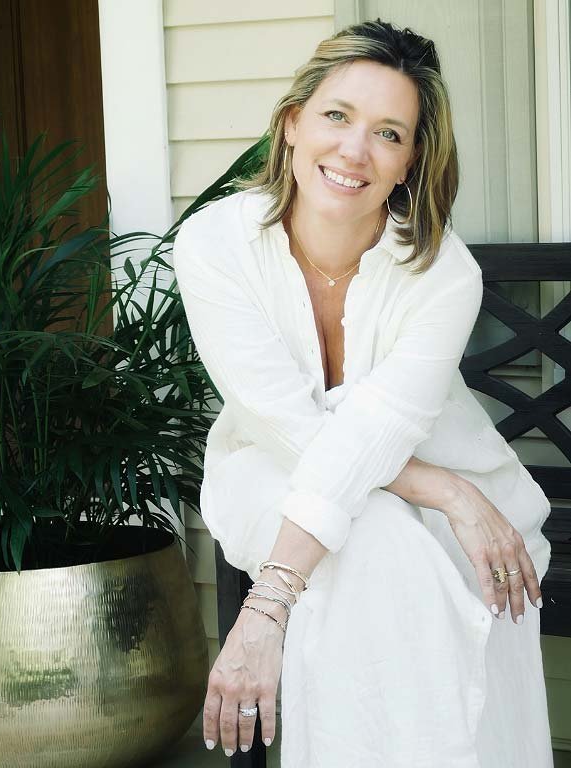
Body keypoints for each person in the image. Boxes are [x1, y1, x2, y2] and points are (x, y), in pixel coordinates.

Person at [172, 18, 554, 768]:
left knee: (414, 556)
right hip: (268, 470)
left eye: (387, 133)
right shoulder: (215, 244)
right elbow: (282, 424)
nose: (353, 151)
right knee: (377, 542)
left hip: (424, 463)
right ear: (290, 125)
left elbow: (379, 430)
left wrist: (446, 489)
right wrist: (442, 491)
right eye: (336, 117)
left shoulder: (441, 272)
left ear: (411, 161)